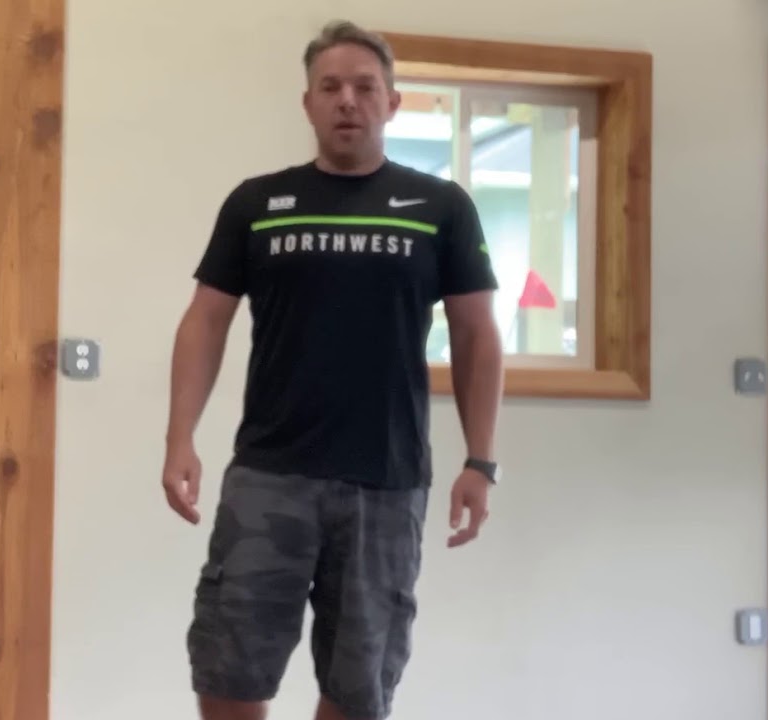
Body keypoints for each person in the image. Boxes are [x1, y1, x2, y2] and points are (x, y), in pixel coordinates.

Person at [160, 18, 505, 720]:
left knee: (359, 689)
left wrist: (481, 461)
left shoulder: (441, 208)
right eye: (331, 87)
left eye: (365, 87)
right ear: (308, 103)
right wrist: (179, 438)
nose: (348, 99)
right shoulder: (257, 204)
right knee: (229, 670)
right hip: (269, 474)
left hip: (386, 481)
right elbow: (206, 319)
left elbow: (476, 333)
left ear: (392, 103)